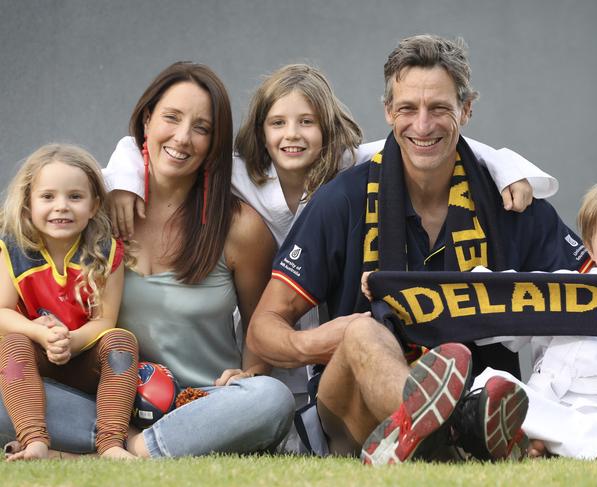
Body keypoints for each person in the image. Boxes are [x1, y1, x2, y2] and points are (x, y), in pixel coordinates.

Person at [103, 63, 556, 454]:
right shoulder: (239, 175)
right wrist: (125, 171)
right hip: (272, 363)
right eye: (277, 123)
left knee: (274, 393)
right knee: (347, 340)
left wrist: (507, 166)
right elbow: (133, 154)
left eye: (307, 122)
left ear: (329, 129)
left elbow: (433, 141)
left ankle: (427, 433)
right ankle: (458, 428)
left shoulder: (350, 165)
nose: (292, 135)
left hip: (277, 385)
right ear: (259, 131)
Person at [246, 34, 589, 464]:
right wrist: (322, 341)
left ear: (466, 110)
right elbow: (264, 328)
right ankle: (464, 430)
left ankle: (436, 439)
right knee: (361, 331)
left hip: (482, 394)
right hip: (351, 416)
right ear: (389, 111)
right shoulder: (345, 199)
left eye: (440, 109)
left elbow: (592, 301)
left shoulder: (510, 203)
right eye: (408, 108)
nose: (422, 125)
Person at [0, 62, 295, 458]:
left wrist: (251, 375)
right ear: (146, 120)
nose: (182, 137)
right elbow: (23, 236)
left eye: (201, 128)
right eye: (171, 118)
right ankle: (121, 443)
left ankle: (130, 449)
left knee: (270, 398)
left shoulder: (239, 227)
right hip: (106, 403)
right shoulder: (92, 211)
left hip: (200, 404)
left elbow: (264, 326)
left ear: (214, 142)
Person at [471, 176, 597, 459]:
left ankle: (548, 443)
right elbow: (483, 294)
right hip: (548, 409)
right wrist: (391, 287)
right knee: (486, 384)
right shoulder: (559, 287)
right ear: (589, 247)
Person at [0, 144, 138, 460]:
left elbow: (105, 320)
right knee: (13, 342)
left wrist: (71, 341)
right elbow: (2, 311)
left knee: (121, 340)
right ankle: (34, 440)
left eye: (74, 197)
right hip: (32, 360)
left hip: (82, 357)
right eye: (48, 197)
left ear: (94, 206)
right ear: (27, 206)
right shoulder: (12, 248)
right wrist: (39, 333)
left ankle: (111, 444)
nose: (61, 206)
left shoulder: (106, 251)